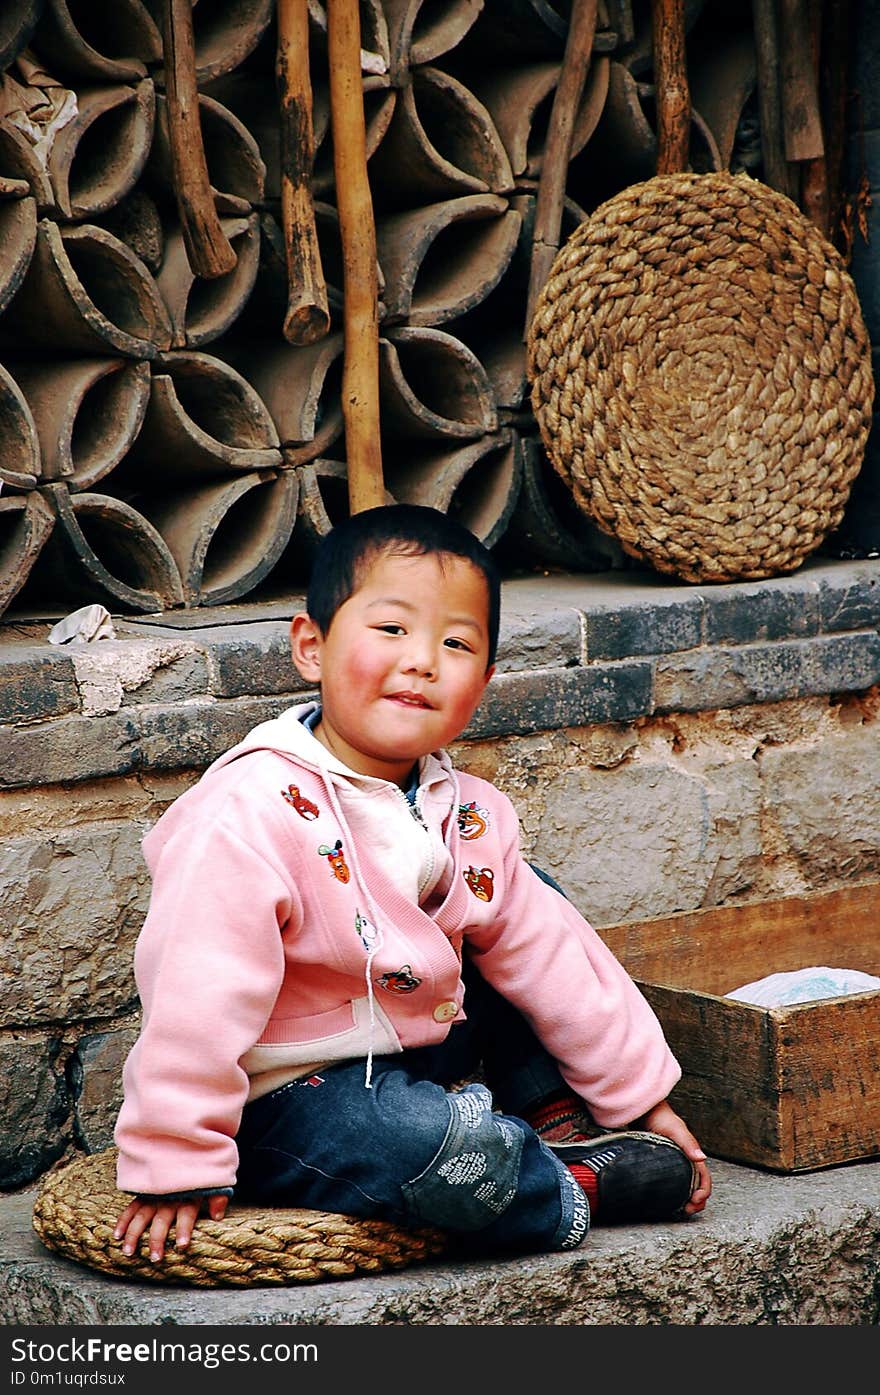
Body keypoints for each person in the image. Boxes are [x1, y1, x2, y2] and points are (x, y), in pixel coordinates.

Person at [113, 503, 711, 1265]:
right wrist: (176, 1162)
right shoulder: (245, 812)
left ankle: (557, 1115)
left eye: (455, 643)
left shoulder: (470, 809)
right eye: (391, 629)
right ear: (311, 645)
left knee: (528, 899)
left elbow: (556, 959)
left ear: (485, 679)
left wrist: (641, 1098)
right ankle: (563, 1182)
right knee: (418, 1141)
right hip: (296, 1100)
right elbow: (197, 993)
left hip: (421, 1045)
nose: (423, 659)